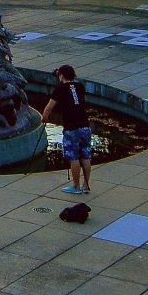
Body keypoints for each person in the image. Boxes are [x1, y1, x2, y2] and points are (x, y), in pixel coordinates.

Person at [46, 64, 94, 196]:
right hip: (85, 125)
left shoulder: (60, 89)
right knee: (85, 155)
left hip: (71, 128)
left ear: (61, 75)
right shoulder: (80, 86)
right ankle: (86, 185)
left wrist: (44, 118)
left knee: (74, 157)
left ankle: (76, 185)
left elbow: (49, 107)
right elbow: (73, 92)